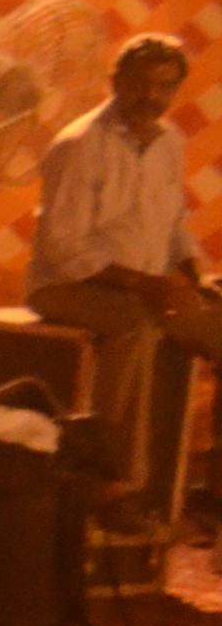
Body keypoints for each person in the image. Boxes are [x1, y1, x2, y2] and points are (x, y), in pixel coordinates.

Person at [28, 32, 214, 507]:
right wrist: (145, 285)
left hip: (145, 286)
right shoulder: (79, 144)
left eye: (164, 86)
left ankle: (214, 489)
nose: (151, 96)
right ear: (114, 81)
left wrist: (193, 279)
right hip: (68, 287)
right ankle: (108, 477)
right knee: (136, 325)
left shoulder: (169, 142)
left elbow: (174, 226)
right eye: (139, 84)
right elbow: (64, 249)